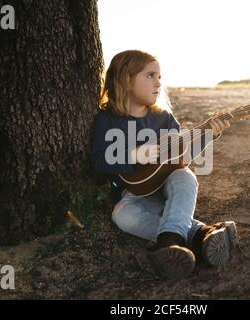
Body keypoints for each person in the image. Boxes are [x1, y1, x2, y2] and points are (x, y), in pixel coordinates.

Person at [92, 50, 238, 279]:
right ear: (126, 80)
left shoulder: (164, 119)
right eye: (150, 75)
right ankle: (202, 235)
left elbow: (184, 157)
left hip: (166, 187)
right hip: (132, 193)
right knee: (122, 216)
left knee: (185, 176)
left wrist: (209, 134)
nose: (158, 82)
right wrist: (135, 155)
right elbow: (100, 160)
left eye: (160, 77)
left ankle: (169, 244)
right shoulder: (108, 119)